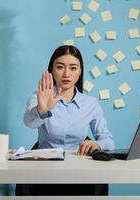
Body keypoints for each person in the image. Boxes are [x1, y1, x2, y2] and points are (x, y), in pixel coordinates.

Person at [17, 45, 115, 196]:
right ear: (51, 69)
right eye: (60, 67)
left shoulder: (91, 103)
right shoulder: (40, 96)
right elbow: (29, 122)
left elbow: (108, 140)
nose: (66, 74)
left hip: (80, 173)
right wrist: (42, 110)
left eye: (73, 68)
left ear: (80, 71)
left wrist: (97, 144)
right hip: (45, 172)